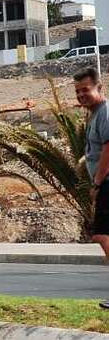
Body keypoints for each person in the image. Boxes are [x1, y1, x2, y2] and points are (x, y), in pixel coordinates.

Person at [74, 67, 109, 310]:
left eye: (85, 90)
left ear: (99, 87)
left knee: (102, 235)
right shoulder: (95, 114)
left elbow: (108, 148)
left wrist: (97, 182)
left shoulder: (105, 112)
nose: (81, 95)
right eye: (77, 91)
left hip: (107, 182)